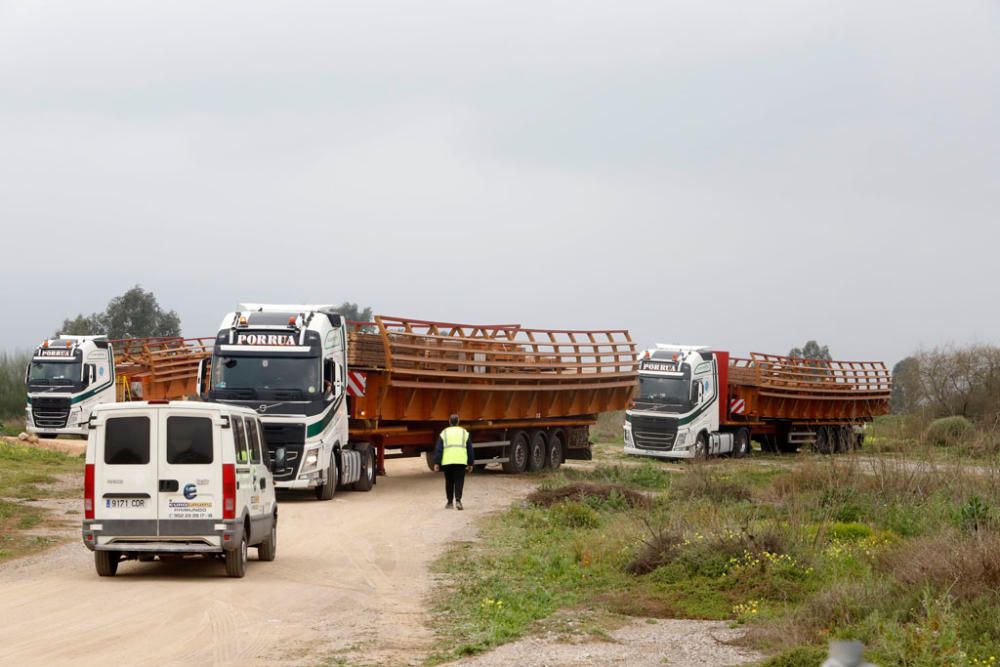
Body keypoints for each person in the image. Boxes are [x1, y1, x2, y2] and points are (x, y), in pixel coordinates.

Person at [433, 414, 474, 509]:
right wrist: (470, 463)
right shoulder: (464, 432)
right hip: (460, 461)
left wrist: (436, 462)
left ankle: (450, 503)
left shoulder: (444, 433)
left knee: (449, 481)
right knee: (459, 481)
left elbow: (439, 449)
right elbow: (470, 449)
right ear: (458, 421)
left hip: (447, 461)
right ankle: (458, 501)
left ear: (449, 421)